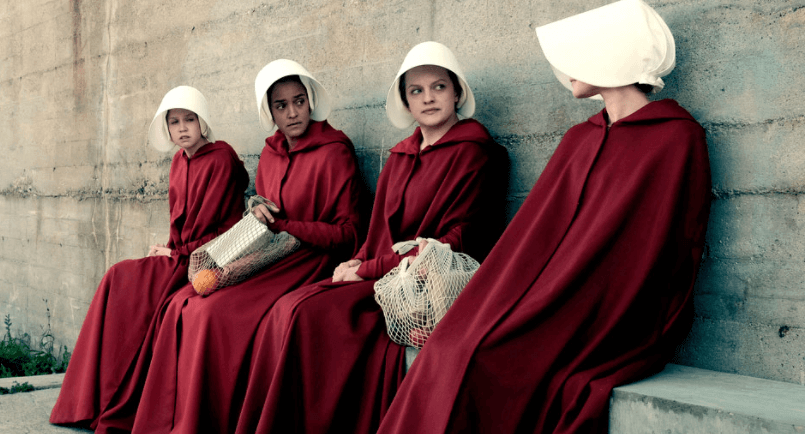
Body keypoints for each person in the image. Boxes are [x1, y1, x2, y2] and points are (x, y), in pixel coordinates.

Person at [378, 1, 712, 433]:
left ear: (613, 54)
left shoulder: (676, 138)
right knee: (453, 343)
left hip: (607, 309)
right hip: (545, 293)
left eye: (582, 53)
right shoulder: (579, 138)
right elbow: (531, 239)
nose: (568, 67)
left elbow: (666, 248)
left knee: (487, 357)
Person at [234, 41, 507, 434]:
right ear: (406, 102)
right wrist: (356, 259)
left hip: (422, 280)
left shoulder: (477, 152)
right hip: (380, 273)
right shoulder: (399, 155)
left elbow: (458, 240)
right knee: (290, 307)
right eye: (416, 91)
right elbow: (378, 227)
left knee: (308, 315)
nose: (428, 98)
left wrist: (367, 268)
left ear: (458, 92)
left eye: (439, 87)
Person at [130, 59, 364, 434]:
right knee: (184, 303)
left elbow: (349, 234)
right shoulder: (270, 152)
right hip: (269, 255)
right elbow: (265, 212)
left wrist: (284, 224)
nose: (291, 112)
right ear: (269, 111)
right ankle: (178, 422)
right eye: (281, 105)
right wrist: (255, 207)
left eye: (298, 101)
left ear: (311, 101)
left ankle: (211, 424)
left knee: (213, 316)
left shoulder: (334, 150)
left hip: (310, 261)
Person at [50, 86, 249, 432]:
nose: (183, 128)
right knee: (117, 276)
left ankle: (118, 399)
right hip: (179, 255)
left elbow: (223, 230)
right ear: (167, 129)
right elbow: (180, 222)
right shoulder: (177, 161)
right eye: (175, 122)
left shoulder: (221, 157)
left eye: (190, 119)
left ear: (203, 121)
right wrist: (169, 246)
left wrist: (175, 252)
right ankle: (92, 400)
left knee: (132, 285)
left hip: (207, 259)